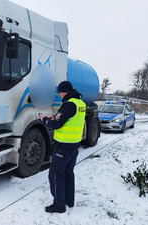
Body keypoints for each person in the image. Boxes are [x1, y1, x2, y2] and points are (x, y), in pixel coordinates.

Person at [39, 81, 86, 213]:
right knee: (68, 173)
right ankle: (69, 201)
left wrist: (45, 120)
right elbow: (67, 119)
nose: (59, 96)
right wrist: (54, 117)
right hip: (74, 144)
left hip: (63, 146)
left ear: (64, 92)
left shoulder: (69, 104)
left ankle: (59, 205)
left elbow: (57, 124)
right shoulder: (80, 103)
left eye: (59, 93)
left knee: (55, 174)